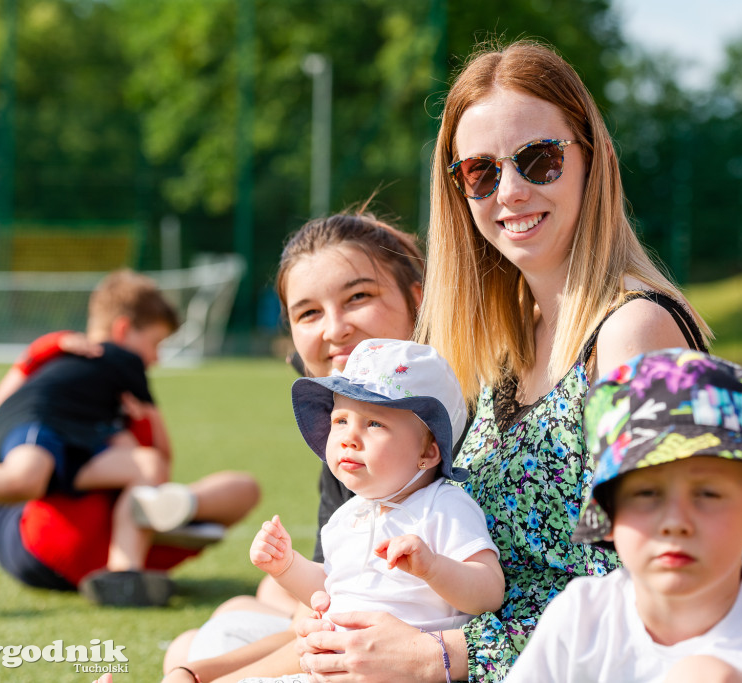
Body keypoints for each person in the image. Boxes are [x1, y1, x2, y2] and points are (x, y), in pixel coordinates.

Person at [292, 39, 711, 683]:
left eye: (539, 160)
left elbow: (676, 586)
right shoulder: (504, 347)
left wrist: (446, 657)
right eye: (481, 172)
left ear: (591, 161)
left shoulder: (636, 333)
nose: (509, 191)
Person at [157, 212, 427, 682]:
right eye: (308, 313)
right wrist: (192, 672)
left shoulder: (448, 427)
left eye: (358, 296)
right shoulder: (346, 444)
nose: (334, 329)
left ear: (417, 300)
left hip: (402, 660)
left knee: (215, 635)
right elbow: (327, 614)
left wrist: (203, 674)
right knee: (234, 614)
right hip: (343, 639)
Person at [506, 348, 742, 682]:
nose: (675, 522)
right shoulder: (581, 618)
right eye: (646, 494)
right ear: (608, 512)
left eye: (707, 494)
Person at [0, 269, 259, 606]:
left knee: (146, 465)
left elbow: (155, 461)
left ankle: (123, 574)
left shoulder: (96, 393)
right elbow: (160, 447)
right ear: (123, 329)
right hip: (44, 421)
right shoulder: (115, 359)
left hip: (78, 446)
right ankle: (152, 531)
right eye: (156, 344)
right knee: (25, 478)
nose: (157, 357)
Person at [237, 339, 503, 683]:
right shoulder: (347, 517)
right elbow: (333, 589)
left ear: (429, 452)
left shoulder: (444, 506)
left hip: (403, 672)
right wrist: (287, 566)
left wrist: (433, 568)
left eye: (374, 424)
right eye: (341, 420)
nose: (349, 437)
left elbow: (490, 591)